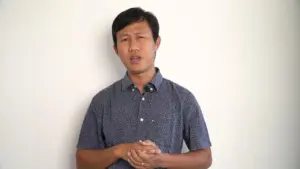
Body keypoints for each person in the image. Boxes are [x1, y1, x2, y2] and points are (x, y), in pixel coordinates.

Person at [76, 7, 212, 169]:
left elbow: (205, 158)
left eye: (140, 37)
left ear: (157, 43)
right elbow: (82, 161)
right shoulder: (102, 101)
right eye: (125, 39)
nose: (133, 47)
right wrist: (120, 150)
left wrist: (159, 160)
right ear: (116, 49)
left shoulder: (182, 98)